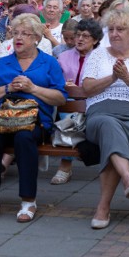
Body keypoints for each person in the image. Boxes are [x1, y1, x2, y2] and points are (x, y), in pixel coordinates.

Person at [0, 13, 67, 222]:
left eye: (25, 34)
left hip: (35, 120)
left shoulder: (49, 63)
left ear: (37, 38)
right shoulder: (3, 63)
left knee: (24, 139)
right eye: (15, 33)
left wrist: (33, 88)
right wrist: (7, 87)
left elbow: (60, 98)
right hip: (4, 119)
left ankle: (28, 200)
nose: (18, 38)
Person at [81, 9, 129, 229]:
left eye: (121, 29)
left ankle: (103, 208)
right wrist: (113, 77)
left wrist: (128, 79)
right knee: (108, 124)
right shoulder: (97, 55)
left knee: (112, 136)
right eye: (111, 29)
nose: (115, 34)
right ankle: (127, 176)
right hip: (100, 115)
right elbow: (87, 88)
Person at [50, 18, 103, 184]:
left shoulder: (103, 58)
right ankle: (65, 166)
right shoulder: (64, 57)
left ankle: (66, 165)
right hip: (69, 104)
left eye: (85, 36)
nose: (80, 39)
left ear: (95, 40)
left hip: (95, 103)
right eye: (78, 35)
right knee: (68, 116)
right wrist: (64, 85)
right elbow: (54, 81)